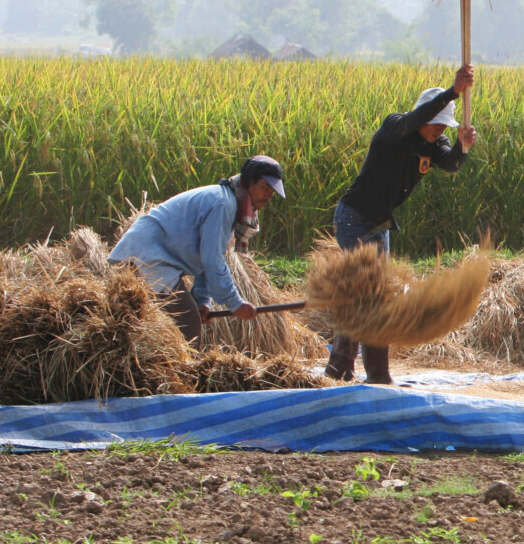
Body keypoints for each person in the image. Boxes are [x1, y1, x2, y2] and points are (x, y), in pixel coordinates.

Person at [326, 65, 477, 383]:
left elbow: (450, 164)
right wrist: (453, 92)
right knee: (372, 297)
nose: (439, 130)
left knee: (366, 297)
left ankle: (342, 370)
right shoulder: (395, 128)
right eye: (435, 123)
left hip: (380, 225)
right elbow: (412, 120)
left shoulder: (433, 145)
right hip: (354, 219)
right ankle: (371, 375)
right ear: (422, 117)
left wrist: (463, 145)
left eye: (443, 125)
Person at [109, 155, 286, 341]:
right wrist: (235, 303)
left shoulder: (229, 202)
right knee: (188, 322)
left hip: (149, 254)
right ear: (249, 182)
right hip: (147, 254)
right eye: (264, 188)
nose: (268, 196)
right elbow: (212, 260)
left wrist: (202, 300)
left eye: (272, 192)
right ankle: (182, 369)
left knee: (162, 322)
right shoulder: (223, 204)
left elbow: (207, 255)